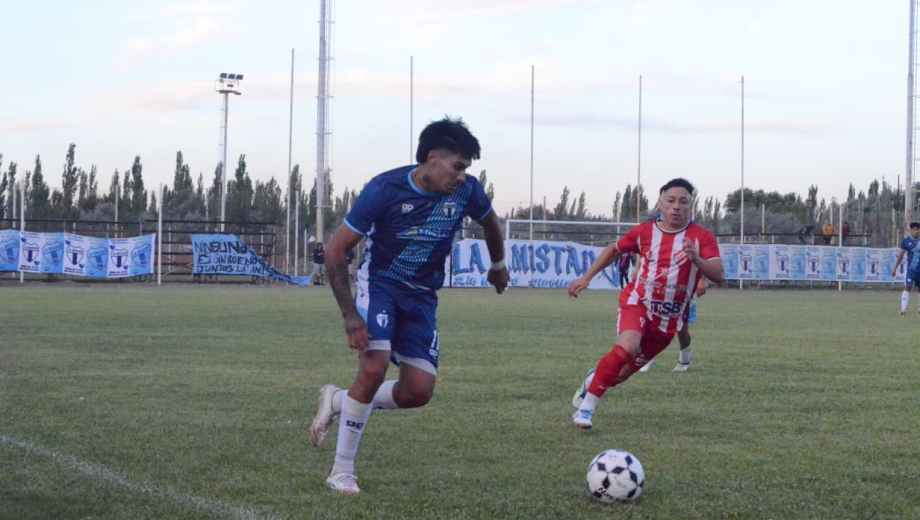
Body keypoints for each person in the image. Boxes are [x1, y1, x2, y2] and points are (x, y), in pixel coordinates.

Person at [307, 117, 509, 495]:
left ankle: (337, 400)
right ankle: (342, 471)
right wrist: (351, 316)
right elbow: (336, 251)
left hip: (421, 297)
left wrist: (497, 266)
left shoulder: (466, 192)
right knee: (374, 365)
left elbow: (490, 222)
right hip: (380, 285)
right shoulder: (384, 189)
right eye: (458, 166)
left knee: (418, 391)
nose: (463, 176)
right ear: (432, 158)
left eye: (467, 169)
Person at [567, 178, 724, 429]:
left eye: (683, 202)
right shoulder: (644, 231)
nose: (676, 207)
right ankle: (586, 411)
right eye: (670, 201)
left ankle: (593, 379)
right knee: (627, 346)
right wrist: (586, 278)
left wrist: (697, 259)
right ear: (660, 203)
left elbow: (718, 274)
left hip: (668, 320)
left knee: (621, 373)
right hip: (637, 301)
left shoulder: (701, 237)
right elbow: (614, 249)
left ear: (690, 206)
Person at [636, 277, 708, 373]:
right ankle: (648, 357)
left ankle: (684, 359)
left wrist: (701, 280)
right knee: (650, 323)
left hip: (683, 285)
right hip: (657, 282)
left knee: (681, 327)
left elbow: (701, 261)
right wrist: (637, 269)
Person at [892, 222, 920, 316]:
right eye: (915, 229)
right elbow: (900, 256)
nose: (916, 231)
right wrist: (895, 268)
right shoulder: (906, 241)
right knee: (907, 287)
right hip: (911, 270)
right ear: (911, 230)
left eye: (918, 229)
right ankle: (903, 310)